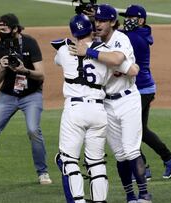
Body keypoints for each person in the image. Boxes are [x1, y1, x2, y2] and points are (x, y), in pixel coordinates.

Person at [71, 4, 152, 203]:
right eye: (96, 21)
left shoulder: (121, 39)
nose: (98, 24)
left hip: (128, 100)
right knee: (120, 154)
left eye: (103, 21)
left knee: (131, 149)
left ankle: (144, 194)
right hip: (106, 103)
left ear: (113, 23)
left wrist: (91, 53)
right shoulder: (94, 43)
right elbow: (127, 67)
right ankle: (130, 196)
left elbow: (119, 60)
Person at [0, 13, 52, 185]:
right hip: (7, 95)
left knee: (33, 130)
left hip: (31, 95)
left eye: (4, 28)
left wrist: (24, 70)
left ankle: (42, 173)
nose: (1, 32)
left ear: (14, 28)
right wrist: (4, 67)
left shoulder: (29, 43)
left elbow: (41, 75)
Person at [119, 4, 171, 180]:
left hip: (140, 90)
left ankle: (144, 168)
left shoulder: (134, 38)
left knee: (130, 129)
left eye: (130, 17)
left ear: (140, 20)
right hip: (144, 89)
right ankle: (169, 160)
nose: (126, 20)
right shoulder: (139, 34)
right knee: (141, 130)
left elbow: (115, 42)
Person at [52, 14, 109, 203]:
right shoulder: (104, 51)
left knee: (69, 160)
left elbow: (58, 59)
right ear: (91, 29)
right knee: (97, 163)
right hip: (98, 111)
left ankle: (78, 201)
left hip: (75, 110)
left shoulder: (63, 50)